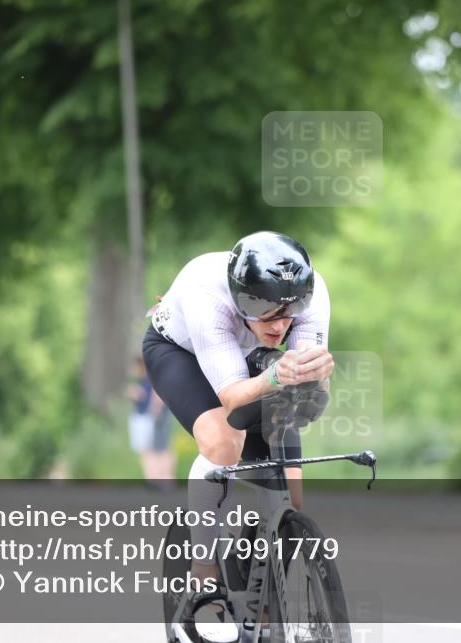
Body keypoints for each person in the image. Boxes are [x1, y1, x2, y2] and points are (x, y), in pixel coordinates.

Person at [143, 231, 333, 638]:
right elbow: (231, 399)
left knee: (291, 492)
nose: (280, 326)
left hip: (254, 362)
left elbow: (310, 401)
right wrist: (280, 374)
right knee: (224, 442)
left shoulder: (312, 295)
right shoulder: (205, 295)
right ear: (241, 300)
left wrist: (314, 385)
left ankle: (263, 600)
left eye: (289, 316)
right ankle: (204, 566)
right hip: (183, 353)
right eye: (266, 315)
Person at [128, 356, 176, 487]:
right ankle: (155, 479)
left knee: (159, 448)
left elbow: (157, 394)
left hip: (153, 416)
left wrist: (154, 409)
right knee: (153, 448)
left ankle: (164, 479)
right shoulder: (144, 379)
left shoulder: (152, 377)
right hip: (151, 415)